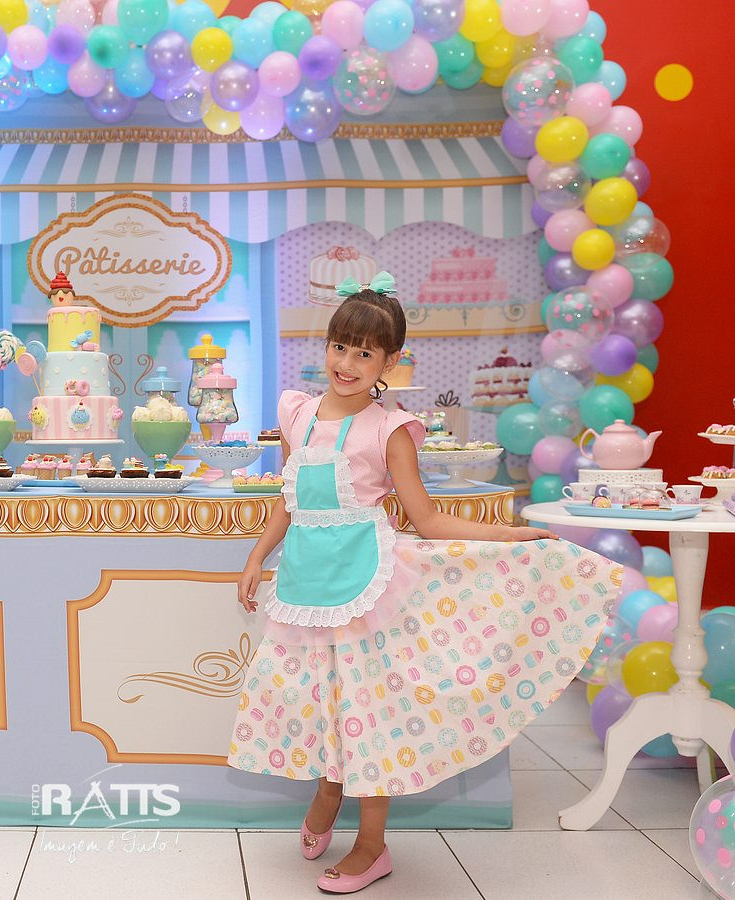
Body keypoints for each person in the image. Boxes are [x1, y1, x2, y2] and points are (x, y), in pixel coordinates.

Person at [229, 273, 621, 894]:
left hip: (367, 590)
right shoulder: (297, 413)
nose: (346, 363)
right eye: (339, 346)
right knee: (317, 700)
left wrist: (507, 535)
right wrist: (258, 557)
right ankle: (328, 792)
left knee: (367, 713)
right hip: (305, 587)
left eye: (364, 353)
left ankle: (371, 844)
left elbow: (427, 518)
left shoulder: (390, 430)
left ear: (390, 362)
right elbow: (289, 497)